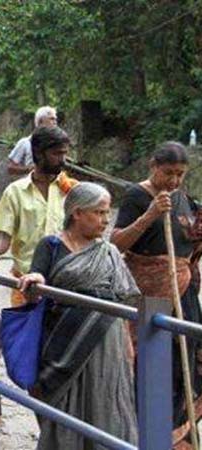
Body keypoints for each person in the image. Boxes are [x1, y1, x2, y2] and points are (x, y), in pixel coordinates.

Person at [19, 182, 139, 450]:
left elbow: (123, 301)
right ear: (76, 213)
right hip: (63, 343)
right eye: (99, 213)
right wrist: (36, 279)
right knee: (63, 406)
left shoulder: (108, 253)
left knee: (106, 401)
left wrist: (128, 349)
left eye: (107, 213)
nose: (106, 220)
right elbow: (37, 276)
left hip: (106, 343)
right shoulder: (51, 245)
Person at [111, 141, 202, 447]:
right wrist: (150, 215)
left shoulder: (184, 199)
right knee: (149, 364)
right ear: (153, 166)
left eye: (180, 174)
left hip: (184, 295)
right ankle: (144, 435)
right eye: (168, 173)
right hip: (149, 295)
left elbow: (188, 249)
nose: (174, 181)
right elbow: (117, 243)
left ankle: (178, 436)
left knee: (184, 365)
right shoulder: (138, 196)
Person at [0, 126, 78, 306]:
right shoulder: (15, 192)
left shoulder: (73, 191)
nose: (63, 160)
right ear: (38, 153)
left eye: (64, 154)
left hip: (65, 286)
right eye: (56, 154)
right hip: (26, 285)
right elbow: (3, 241)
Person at [7, 106, 58, 176]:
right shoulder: (25, 143)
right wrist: (29, 169)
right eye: (51, 119)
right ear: (40, 121)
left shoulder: (56, 144)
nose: (55, 122)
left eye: (55, 119)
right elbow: (10, 168)